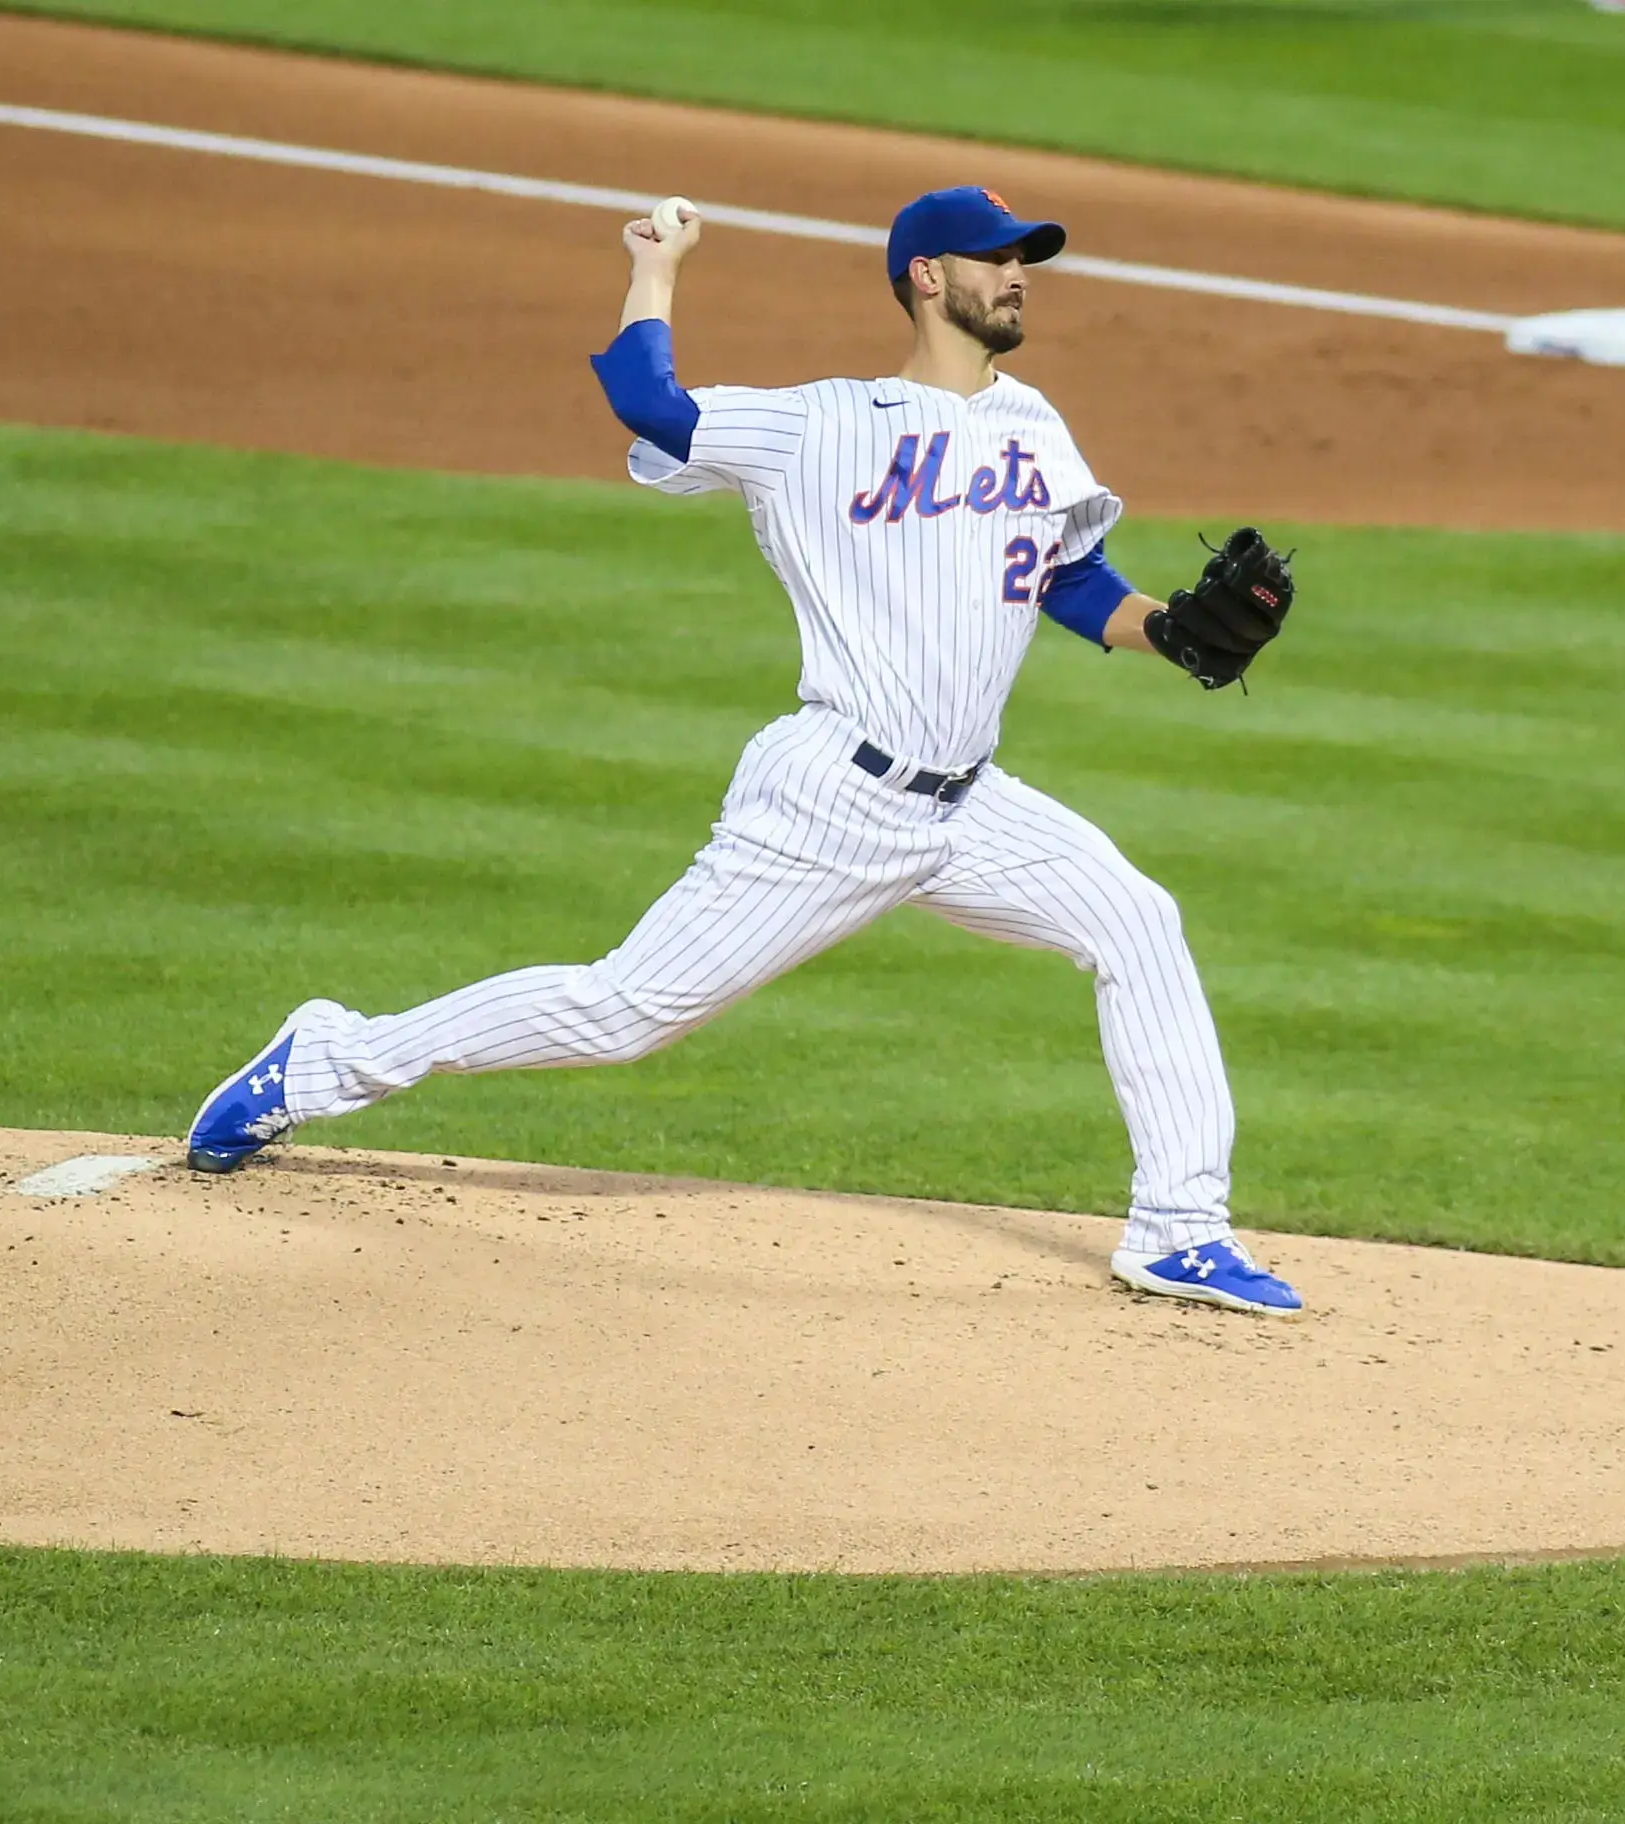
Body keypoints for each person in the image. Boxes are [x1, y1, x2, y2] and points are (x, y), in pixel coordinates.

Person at [186, 185, 1301, 1314]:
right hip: (831, 803)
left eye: (1027, 261)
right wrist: (655, 266)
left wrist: (1165, 629)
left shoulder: (1034, 423)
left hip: (971, 810)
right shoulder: (820, 424)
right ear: (926, 276)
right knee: (621, 1013)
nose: (1018, 277)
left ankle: (1179, 1230)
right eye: (994, 259)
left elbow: (1067, 577)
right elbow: (649, 404)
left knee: (1138, 923)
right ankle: (323, 1059)